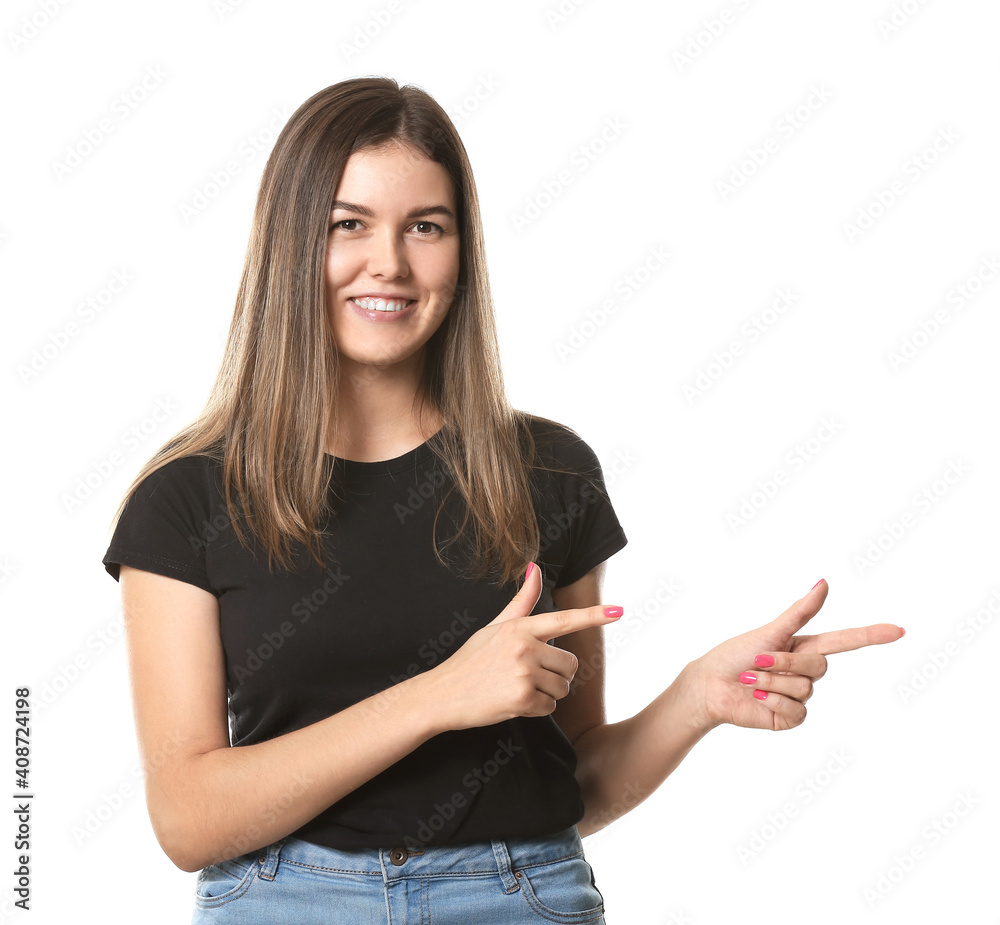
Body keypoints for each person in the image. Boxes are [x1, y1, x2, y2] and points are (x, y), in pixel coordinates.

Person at [102, 76, 903, 925]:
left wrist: (695, 699)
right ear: (290, 242)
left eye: (426, 227)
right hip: (286, 902)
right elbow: (187, 819)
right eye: (348, 224)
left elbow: (575, 779)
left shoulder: (550, 472)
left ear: (462, 249)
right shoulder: (187, 496)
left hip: (518, 898)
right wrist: (442, 694)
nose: (391, 263)